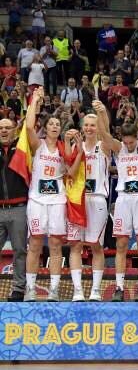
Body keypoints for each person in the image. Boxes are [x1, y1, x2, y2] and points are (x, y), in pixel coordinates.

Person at [25, 87, 83, 302]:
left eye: (57, 124)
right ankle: (30, 289)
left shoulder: (63, 148)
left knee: (57, 245)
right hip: (37, 201)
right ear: (46, 128)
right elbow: (29, 125)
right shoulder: (37, 145)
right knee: (35, 244)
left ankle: (54, 289)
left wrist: (78, 149)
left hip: (57, 200)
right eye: (51, 124)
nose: (55, 126)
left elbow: (71, 172)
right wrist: (35, 100)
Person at [98, 86, 138, 302]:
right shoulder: (119, 148)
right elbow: (104, 134)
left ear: (136, 139)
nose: (129, 145)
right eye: (127, 142)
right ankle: (119, 287)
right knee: (121, 244)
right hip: (123, 199)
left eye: (132, 142)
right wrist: (103, 110)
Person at [65, 103, 111, 301]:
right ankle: (77, 291)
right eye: (87, 125)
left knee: (96, 246)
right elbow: (68, 172)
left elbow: (106, 130)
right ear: (82, 127)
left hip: (97, 199)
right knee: (75, 245)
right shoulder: (77, 146)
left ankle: (95, 290)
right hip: (77, 199)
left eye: (93, 125)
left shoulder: (105, 146)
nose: (90, 128)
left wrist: (101, 112)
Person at [0, 117, 29, 301]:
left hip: (19, 207)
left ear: (15, 130)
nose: (3, 131)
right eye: (1, 128)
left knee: (20, 250)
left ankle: (18, 289)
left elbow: (30, 127)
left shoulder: (21, 148)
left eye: (7, 128)